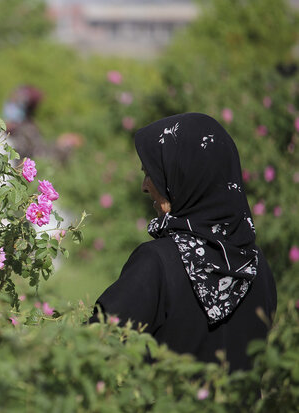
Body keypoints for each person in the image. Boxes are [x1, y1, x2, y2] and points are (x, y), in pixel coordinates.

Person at [90, 112, 277, 372]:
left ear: (186, 176)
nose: (145, 186)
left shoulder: (157, 263)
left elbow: (92, 351)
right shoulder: (257, 266)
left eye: (153, 173)